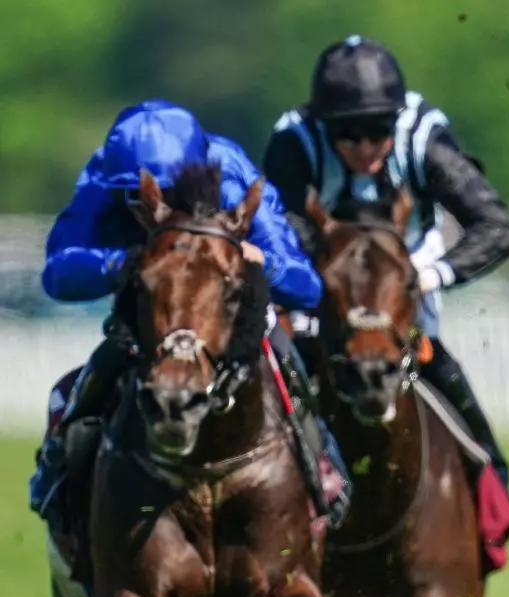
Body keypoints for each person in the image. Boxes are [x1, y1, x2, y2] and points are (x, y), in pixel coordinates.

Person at [30, 99, 351, 540]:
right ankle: (58, 471)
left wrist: (263, 264)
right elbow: (58, 270)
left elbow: (307, 286)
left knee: (284, 358)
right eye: (137, 196)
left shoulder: (231, 172)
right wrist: (121, 263)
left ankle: (323, 466)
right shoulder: (106, 171)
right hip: (149, 311)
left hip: (234, 315)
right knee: (98, 370)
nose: (152, 205)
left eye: (167, 191)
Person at [263, 35, 509, 494]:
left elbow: (497, 227)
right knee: (287, 375)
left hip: (405, 277)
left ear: (395, 121)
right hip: (326, 283)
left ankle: (491, 486)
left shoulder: (423, 139)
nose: (365, 147)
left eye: (378, 130)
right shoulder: (292, 143)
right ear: (324, 126)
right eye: (349, 134)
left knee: (436, 368)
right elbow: (279, 232)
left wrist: (425, 276)